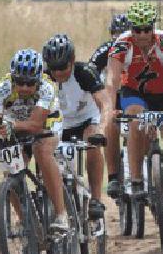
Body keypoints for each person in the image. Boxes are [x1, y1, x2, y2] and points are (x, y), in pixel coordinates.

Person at [104, 0, 163, 224]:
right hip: (134, 93)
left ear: (153, 27)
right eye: (137, 29)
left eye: (146, 29)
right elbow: (112, 80)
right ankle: (136, 181)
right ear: (130, 29)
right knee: (135, 117)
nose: (142, 35)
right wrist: (109, 109)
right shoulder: (122, 45)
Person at [0, 48, 68, 233]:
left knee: (42, 150)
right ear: (12, 78)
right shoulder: (0, 89)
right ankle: (25, 223)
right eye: (19, 82)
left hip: (47, 123)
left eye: (29, 84)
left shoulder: (47, 87)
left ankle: (62, 215)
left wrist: (9, 125)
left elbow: (36, 125)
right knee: (9, 163)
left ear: (38, 80)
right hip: (16, 124)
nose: (23, 88)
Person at [42, 33, 113, 219]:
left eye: (63, 67)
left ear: (72, 60)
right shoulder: (43, 78)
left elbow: (105, 103)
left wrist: (102, 129)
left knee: (92, 140)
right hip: (59, 124)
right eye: (53, 68)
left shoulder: (85, 72)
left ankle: (96, 199)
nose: (58, 73)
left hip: (86, 120)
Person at [89, 13, 130, 194]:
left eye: (124, 32)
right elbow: (90, 71)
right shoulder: (105, 49)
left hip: (135, 93)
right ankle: (113, 177)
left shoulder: (139, 49)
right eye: (116, 33)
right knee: (111, 126)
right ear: (111, 34)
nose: (119, 36)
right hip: (112, 95)